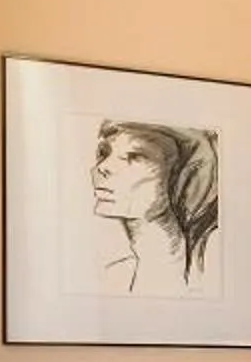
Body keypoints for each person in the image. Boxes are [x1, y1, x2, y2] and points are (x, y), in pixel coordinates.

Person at [89, 120, 220, 296]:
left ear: (180, 175)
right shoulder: (109, 276)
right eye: (104, 153)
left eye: (134, 156)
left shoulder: (209, 276)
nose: (102, 167)